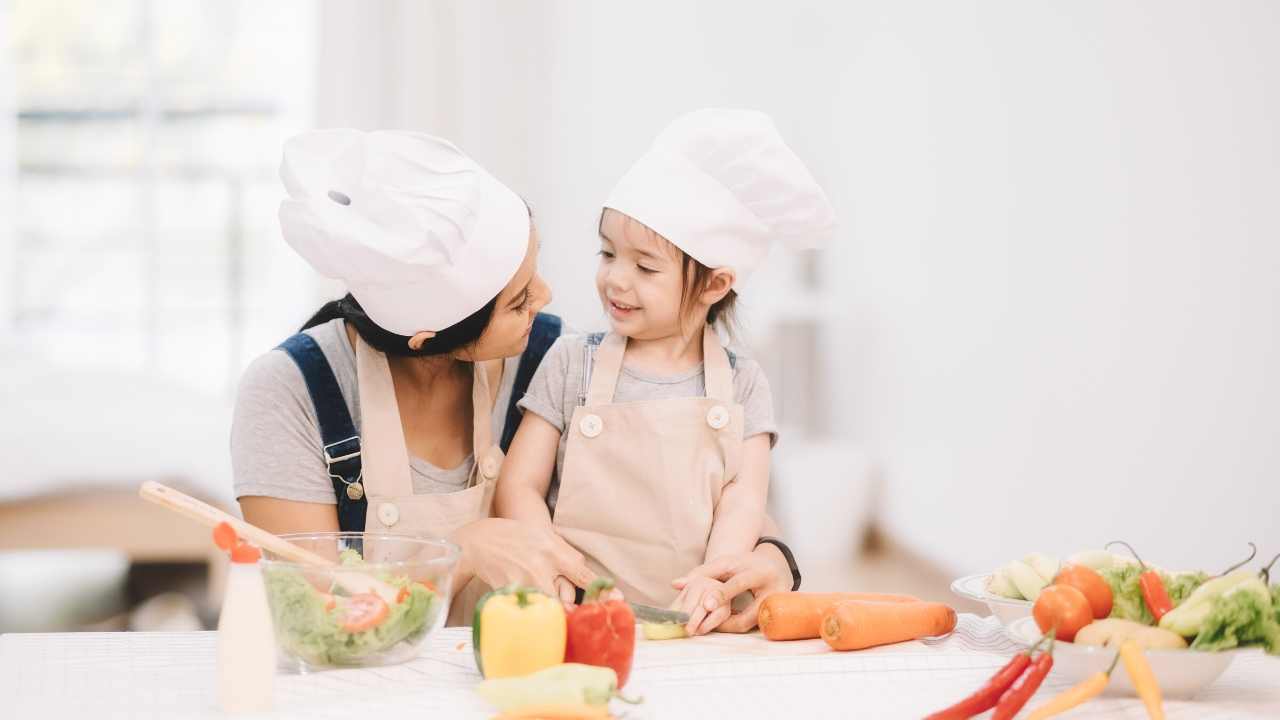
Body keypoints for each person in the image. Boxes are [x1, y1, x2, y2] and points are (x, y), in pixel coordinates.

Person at [231, 127, 801, 628]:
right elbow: (313, 609)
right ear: (431, 336)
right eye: (520, 299)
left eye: (536, 271)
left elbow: (689, 487)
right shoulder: (292, 394)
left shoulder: (550, 350)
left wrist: (772, 556)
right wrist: (462, 551)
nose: (549, 299)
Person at [495, 109, 832, 634]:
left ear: (715, 285)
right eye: (607, 253)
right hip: (575, 615)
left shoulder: (743, 384)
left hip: (689, 624)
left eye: (645, 267)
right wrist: (547, 563)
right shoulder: (570, 362)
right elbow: (519, 483)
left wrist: (713, 579)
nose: (615, 279)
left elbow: (743, 497)